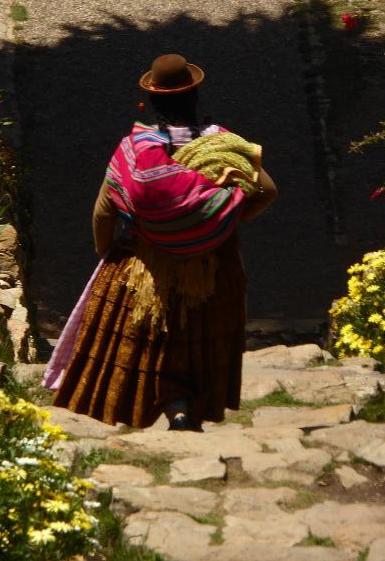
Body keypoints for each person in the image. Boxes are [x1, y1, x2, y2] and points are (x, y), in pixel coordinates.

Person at [43, 54, 277, 430]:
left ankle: (165, 405)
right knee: (198, 337)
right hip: (211, 264)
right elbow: (266, 190)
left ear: (152, 100)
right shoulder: (222, 143)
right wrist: (223, 219)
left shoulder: (136, 149)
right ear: (195, 96)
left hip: (145, 264)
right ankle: (190, 407)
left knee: (151, 338)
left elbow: (104, 211)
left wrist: (108, 253)